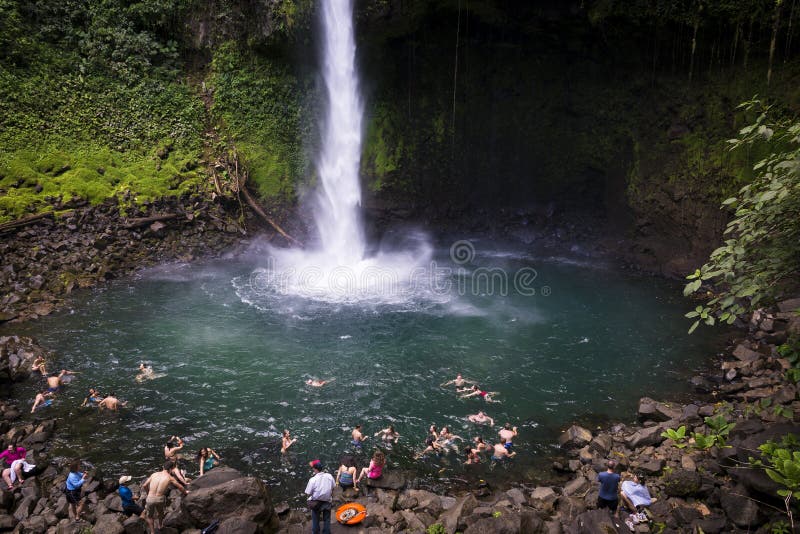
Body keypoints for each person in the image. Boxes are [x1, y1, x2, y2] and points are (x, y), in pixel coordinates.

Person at [140, 460, 188, 534]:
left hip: (150, 498)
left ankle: (152, 532)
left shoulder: (154, 474)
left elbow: (144, 485)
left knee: (150, 516)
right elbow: (180, 487)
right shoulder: (170, 477)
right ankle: (160, 525)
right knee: (160, 513)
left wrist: (148, 492)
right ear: (171, 469)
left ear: (163, 467)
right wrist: (185, 492)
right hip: (160, 498)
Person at [305, 459, 335, 534]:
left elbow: (308, 492)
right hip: (327, 501)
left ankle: (315, 532)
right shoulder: (329, 476)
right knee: (327, 520)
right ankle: (326, 532)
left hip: (316, 503)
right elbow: (333, 487)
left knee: (315, 520)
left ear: (315, 469)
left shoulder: (312, 480)